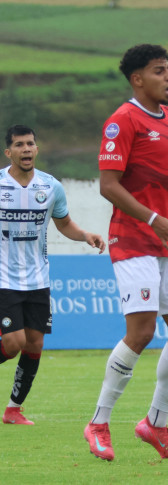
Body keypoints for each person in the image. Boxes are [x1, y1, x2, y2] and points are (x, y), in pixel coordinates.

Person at [84, 44, 168, 461]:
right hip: (134, 239)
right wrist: (155, 220)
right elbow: (109, 185)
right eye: (160, 71)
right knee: (140, 331)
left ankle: (155, 424)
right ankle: (99, 422)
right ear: (138, 79)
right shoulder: (122, 121)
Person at [0, 125, 105, 426]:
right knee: (13, 343)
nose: (26, 149)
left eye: (30, 144)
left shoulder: (50, 186)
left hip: (38, 280)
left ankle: (13, 410)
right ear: (9, 152)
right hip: (4, 279)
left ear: (37, 149)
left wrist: (85, 235)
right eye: (19, 145)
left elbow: (64, 224)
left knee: (34, 344)